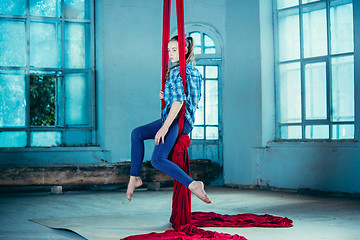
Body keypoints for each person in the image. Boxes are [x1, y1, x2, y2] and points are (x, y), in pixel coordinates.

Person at [126, 35, 211, 204]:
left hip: (176, 120)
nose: (170, 54)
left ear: (184, 50)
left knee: (158, 159)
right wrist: (167, 96)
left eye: (174, 50)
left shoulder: (177, 71)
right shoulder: (194, 71)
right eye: (168, 50)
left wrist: (164, 127)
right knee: (137, 133)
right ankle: (134, 177)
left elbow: (180, 101)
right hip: (184, 121)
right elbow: (190, 97)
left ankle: (193, 184)